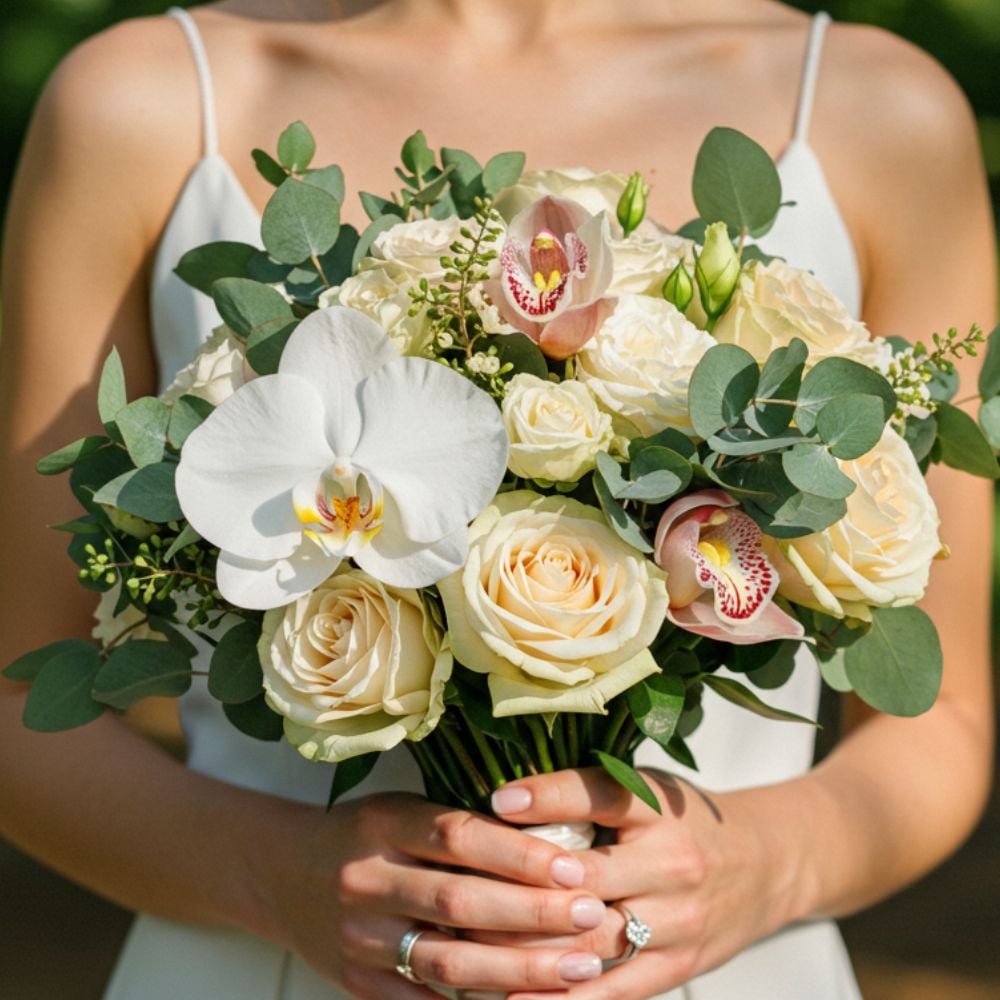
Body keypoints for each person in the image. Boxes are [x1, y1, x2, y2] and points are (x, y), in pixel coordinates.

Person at [0, 1, 994, 997]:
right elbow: (17, 705)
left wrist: (764, 864)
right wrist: (271, 876)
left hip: (720, 967)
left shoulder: (876, 107)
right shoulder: (144, 100)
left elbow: (937, 715)